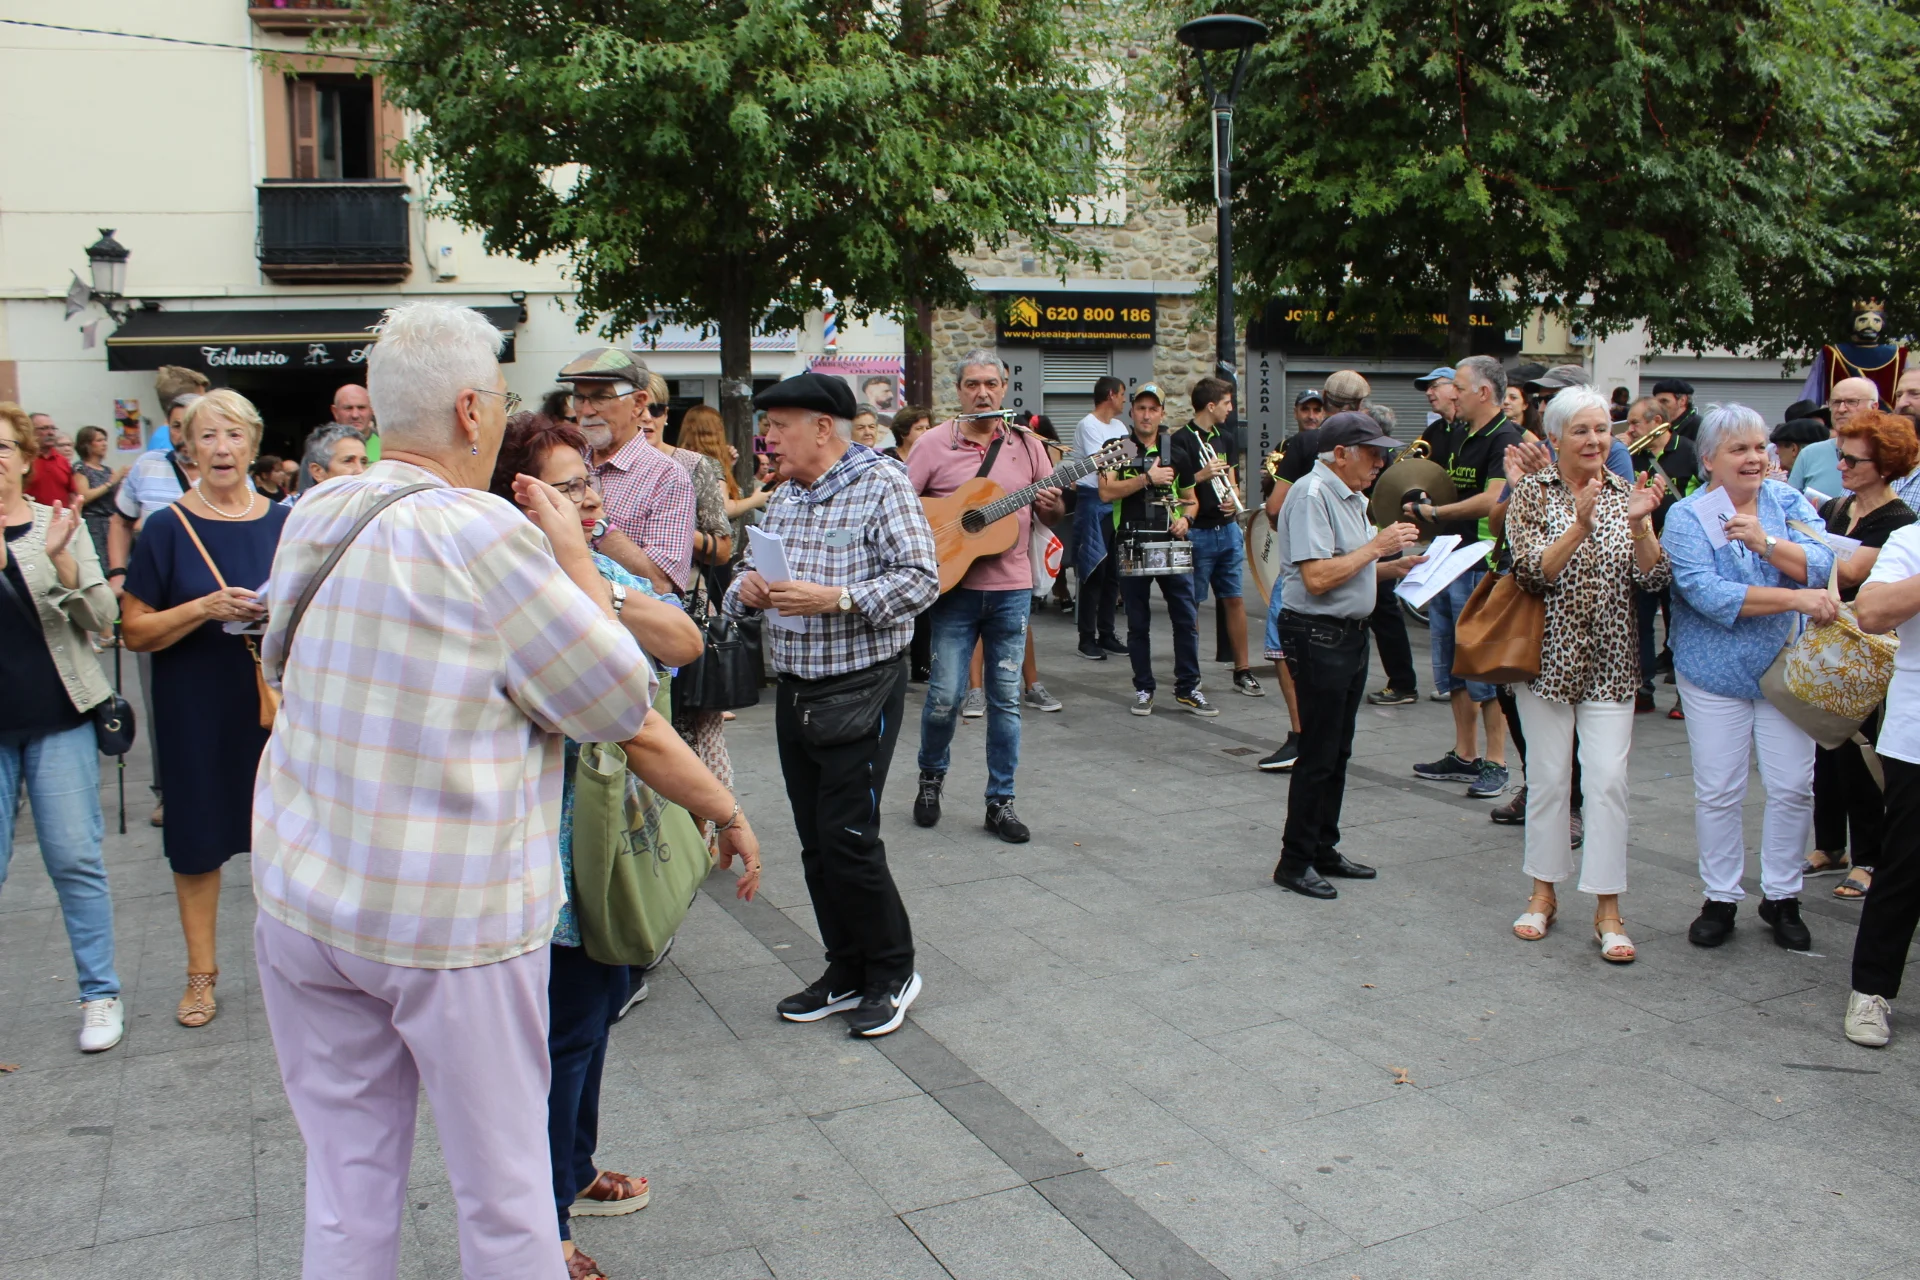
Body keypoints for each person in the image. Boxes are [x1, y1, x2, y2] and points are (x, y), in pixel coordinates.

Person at [251, 303, 676, 1276]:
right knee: (507, 1196)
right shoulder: (480, 532)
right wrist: (578, 562)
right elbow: (615, 697)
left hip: (308, 892)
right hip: (450, 917)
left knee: (346, 1183)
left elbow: (280, 653)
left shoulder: (320, 506)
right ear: (473, 409)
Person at [487, 412, 745, 1280]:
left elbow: (684, 639)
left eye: (590, 481)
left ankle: (574, 1167)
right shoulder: (511, 582)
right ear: (520, 498)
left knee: (596, 1016)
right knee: (562, 1037)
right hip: (543, 846)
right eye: (567, 488)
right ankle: (545, 1226)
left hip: (613, 830)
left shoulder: (592, 568)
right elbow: (617, 690)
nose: (589, 499)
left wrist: (594, 575)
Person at [724, 371, 939, 1037]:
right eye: (768, 425)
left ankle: (893, 971)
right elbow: (743, 580)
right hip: (796, 691)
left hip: (859, 688)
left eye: (778, 425)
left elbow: (921, 581)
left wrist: (837, 598)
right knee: (817, 843)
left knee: (848, 839)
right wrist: (746, 591)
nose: (768, 438)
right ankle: (845, 969)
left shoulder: (881, 482)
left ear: (823, 428)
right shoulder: (786, 495)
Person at [121, 390, 290, 1028]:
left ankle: (294, 972)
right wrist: (203, 608)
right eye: (208, 436)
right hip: (194, 703)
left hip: (273, 701)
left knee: (285, 837)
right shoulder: (166, 527)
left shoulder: (285, 521)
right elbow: (135, 631)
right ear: (188, 449)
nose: (222, 448)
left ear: (253, 443)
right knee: (198, 839)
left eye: (234, 434)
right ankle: (201, 976)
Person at [1503, 387, 1670, 962]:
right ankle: (1542, 894)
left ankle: (1608, 908)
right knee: (1549, 780)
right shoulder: (1531, 492)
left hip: (1612, 661)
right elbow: (1531, 572)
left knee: (1607, 783)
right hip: (1546, 659)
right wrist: (1579, 524)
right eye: (1581, 430)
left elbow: (1654, 580)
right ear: (1555, 438)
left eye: (1602, 429)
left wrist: (1642, 525)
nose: (1595, 440)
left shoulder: (1627, 492)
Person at [1665, 403, 1838, 952]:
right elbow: (1707, 592)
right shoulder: (1687, 515)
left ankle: (1782, 896)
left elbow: (1825, 563)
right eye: (1739, 449)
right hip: (1712, 671)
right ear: (1709, 459)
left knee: (1793, 787)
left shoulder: (1787, 501)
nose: (1754, 458)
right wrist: (1794, 597)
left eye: (1760, 447)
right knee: (1719, 789)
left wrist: (1767, 544)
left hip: (1786, 670)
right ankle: (1720, 897)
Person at [0, 405, 125, 1052]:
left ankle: (100, 994)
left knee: (75, 858)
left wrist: (61, 563)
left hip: (59, 717)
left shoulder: (58, 524)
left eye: (3, 447)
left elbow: (103, 618)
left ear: (27, 459)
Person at [908, 351, 1061, 842]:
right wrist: (941, 539)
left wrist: (1053, 504)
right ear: (959, 390)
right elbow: (903, 511)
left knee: (1006, 701)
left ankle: (1001, 802)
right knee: (943, 697)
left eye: (991, 384)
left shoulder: (1027, 445)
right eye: (973, 384)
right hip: (953, 589)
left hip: (1012, 588)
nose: (982, 393)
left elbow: (1050, 515)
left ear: (1004, 387)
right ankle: (931, 777)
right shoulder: (933, 444)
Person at [1269, 412, 1424, 898]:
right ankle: (1294, 861)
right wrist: (1378, 547)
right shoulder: (1312, 494)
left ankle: (1322, 848)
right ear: (1340, 454)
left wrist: (1395, 567)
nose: (1381, 462)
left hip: (1345, 634)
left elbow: (1346, 568)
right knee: (1318, 752)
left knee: (1337, 750)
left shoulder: (1349, 495)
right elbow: (1317, 578)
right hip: (1318, 634)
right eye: (1373, 453)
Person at [1802, 411, 1918, 902]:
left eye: (1853, 460)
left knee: (1860, 750)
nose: (1841, 466)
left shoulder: (1898, 520)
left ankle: (1869, 856)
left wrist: (1778, 545)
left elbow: (1850, 575)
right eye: (1840, 455)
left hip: (1870, 648)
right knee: (1824, 747)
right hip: (1830, 641)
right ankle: (1830, 844)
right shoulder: (1839, 506)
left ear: (1885, 466)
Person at [1406, 354, 1521, 798]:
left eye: (1458, 385)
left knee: (1483, 667)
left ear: (1483, 392)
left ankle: (1497, 760)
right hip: (1447, 559)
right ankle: (1465, 753)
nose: (1451, 392)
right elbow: (1447, 485)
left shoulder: (1504, 437)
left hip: (1483, 564)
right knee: (1453, 664)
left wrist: (1436, 512)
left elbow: (1494, 499)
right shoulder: (1458, 433)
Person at [107, 391, 201, 828]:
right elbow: (120, 520)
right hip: (157, 602)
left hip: (215, 602)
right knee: (160, 697)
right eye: (178, 425)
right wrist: (117, 572)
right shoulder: (147, 467)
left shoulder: (228, 471)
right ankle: (168, 792)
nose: (186, 435)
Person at [1846, 520, 1920, 1045]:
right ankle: (1870, 990)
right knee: (1906, 865)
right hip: (1917, 738)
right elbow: (1870, 613)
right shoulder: (1911, 541)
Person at [1101, 384, 1214, 718]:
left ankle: (1188, 688)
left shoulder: (1177, 451)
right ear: (1131, 411)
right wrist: (1146, 479)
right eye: (1141, 408)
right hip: (1132, 541)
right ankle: (1144, 688)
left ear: (1162, 413)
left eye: (1153, 409)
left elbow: (1191, 501)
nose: (1147, 415)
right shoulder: (1116, 448)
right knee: (1138, 622)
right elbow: (1106, 492)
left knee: (1185, 618)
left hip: (1171, 542)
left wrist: (1186, 521)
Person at [556, 347, 697, 597]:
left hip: (624, 620)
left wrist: (597, 523)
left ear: (638, 404)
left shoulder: (667, 476)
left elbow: (661, 585)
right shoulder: (565, 460)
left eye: (601, 397)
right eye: (579, 398)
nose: (587, 410)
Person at [1170, 376, 1263, 697]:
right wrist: (1201, 475)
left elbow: (1232, 480)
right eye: (1226, 403)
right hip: (1197, 532)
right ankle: (1191, 673)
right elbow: (1174, 487)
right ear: (1211, 405)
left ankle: (1243, 670)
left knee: (1234, 599)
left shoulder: (1226, 438)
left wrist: (1232, 498)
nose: (1230, 408)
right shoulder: (1181, 439)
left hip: (1227, 529)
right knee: (1192, 604)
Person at [1621, 397, 1700, 714]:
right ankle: (1643, 687)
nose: (1630, 429)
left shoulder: (1688, 450)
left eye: (1635, 423)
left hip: (1680, 552)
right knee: (1639, 621)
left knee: (1679, 624)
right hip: (1641, 549)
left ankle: (1684, 692)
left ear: (1656, 422)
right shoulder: (1631, 455)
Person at [1074, 375, 1130, 660]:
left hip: (1116, 502)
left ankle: (1107, 633)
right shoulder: (1089, 425)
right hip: (1093, 502)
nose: (1124, 400)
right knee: (1093, 569)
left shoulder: (1120, 427)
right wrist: (1122, 456)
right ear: (1110, 395)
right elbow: (1105, 461)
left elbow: (1127, 457)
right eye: (1122, 394)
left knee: (1113, 574)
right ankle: (1086, 637)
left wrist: (1122, 457)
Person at [1791, 376, 1879, 500]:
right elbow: (1789, 505)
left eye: (1851, 402)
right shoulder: (1809, 454)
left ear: (1874, 408)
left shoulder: (1885, 455)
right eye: (1836, 402)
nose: (1841, 409)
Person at [70, 425, 125, 568]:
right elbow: (83, 496)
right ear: (87, 445)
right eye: (99, 440)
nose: (104, 444)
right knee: (101, 564)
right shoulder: (81, 468)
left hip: (111, 522)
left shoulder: (108, 470)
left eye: (105, 440)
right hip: (94, 524)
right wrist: (110, 483)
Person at [294, 422, 370, 500]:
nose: (361, 471)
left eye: (363, 462)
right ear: (318, 472)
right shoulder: (294, 507)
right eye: (348, 461)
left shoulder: (373, 504)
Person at [331, 382, 378, 461]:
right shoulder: (322, 448)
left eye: (361, 408)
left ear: (372, 409)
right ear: (335, 412)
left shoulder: (389, 445)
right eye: (348, 408)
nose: (355, 415)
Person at [1652, 378, 1702, 442]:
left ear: (1682, 401)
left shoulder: (1698, 426)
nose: (1658, 406)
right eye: (1656, 402)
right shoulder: (1658, 424)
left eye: (1664, 401)